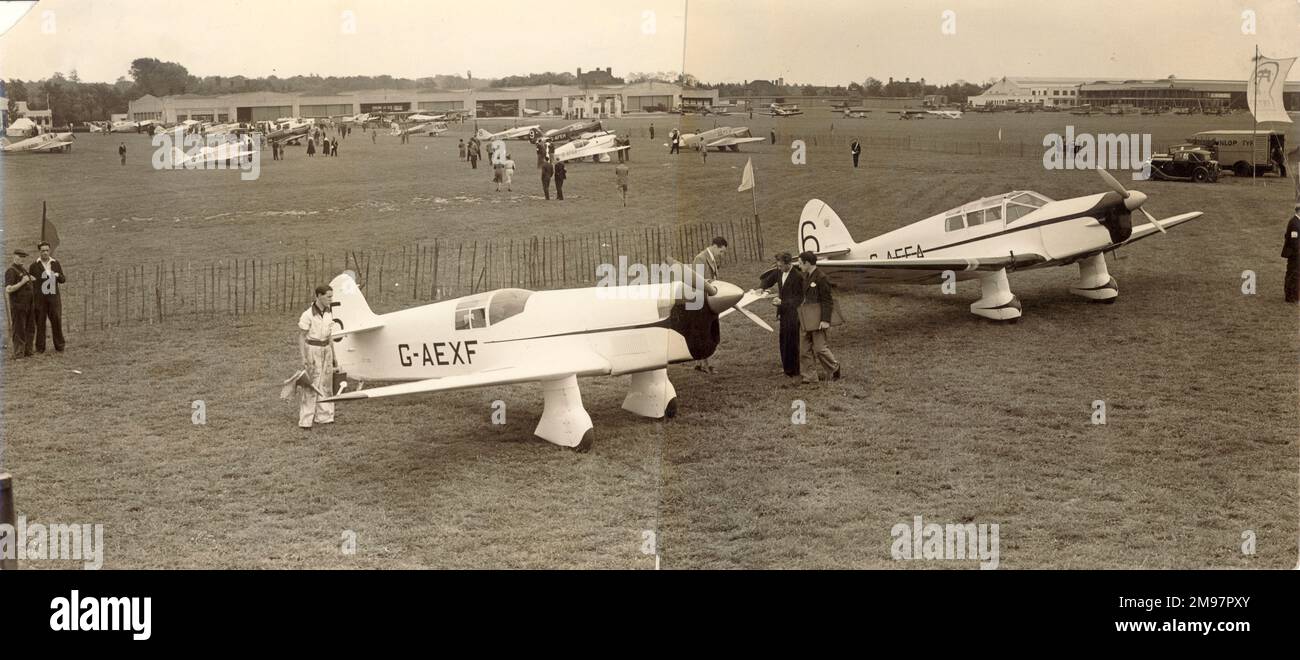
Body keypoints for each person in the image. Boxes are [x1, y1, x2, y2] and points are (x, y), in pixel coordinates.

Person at [757, 252, 803, 379]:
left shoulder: (797, 276)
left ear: (789, 264)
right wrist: (762, 287)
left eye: (781, 266)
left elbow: (799, 298)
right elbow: (768, 280)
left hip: (794, 313)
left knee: (792, 341)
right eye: (778, 266)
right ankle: (786, 368)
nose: (779, 268)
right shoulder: (779, 272)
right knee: (783, 340)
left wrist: (783, 302)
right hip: (783, 312)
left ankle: (794, 370)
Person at [796, 251, 841, 384]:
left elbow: (827, 300)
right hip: (807, 318)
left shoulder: (821, 278)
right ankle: (809, 376)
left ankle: (834, 367)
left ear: (807, 263)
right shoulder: (807, 277)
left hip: (818, 318)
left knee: (820, 348)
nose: (799, 266)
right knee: (804, 349)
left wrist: (825, 320)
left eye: (800, 263)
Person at [297, 285, 336, 429]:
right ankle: (306, 421)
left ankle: (325, 417)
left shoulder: (329, 312)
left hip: (327, 349)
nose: (331, 299)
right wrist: (304, 357)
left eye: (332, 296)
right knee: (312, 385)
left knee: (326, 384)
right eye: (328, 296)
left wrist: (334, 355)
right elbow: (301, 337)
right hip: (313, 350)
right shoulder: (308, 315)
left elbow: (330, 335)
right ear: (319, 296)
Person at [692, 237, 728, 373]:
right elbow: (698, 283)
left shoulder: (710, 259)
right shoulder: (700, 259)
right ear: (714, 246)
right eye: (721, 251)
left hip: (709, 301)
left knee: (707, 332)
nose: (722, 254)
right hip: (703, 302)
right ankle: (704, 365)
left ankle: (700, 363)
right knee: (705, 333)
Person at [29, 241, 66, 353]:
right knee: (40, 322)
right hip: (40, 299)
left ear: (49, 251)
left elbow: (63, 279)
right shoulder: (34, 265)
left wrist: (57, 275)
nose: (45, 252)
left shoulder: (55, 263)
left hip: (53, 298)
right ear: (39, 252)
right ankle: (40, 348)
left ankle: (60, 346)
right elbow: (32, 283)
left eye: (47, 250)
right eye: (42, 250)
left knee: (56, 320)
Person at [4, 249, 35, 359]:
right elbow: (8, 289)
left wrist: (30, 279)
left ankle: (28, 351)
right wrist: (22, 282)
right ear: (14, 257)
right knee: (19, 329)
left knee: (30, 328)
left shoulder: (22, 269)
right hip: (18, 306)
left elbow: (26, 281)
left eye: (23, 257)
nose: (22, 259)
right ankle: (19, 354)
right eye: (20, 257)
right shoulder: (11, 271)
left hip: (29, 304)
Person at [1283, 208, 1300, 303]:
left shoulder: (1295, 221)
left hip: (1294, 253)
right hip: (1295, 255)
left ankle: (1291, 295)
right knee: (1294, 274)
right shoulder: (1295, 223)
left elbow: (1286, 235)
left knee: (1292, 274)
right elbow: (1295, 242)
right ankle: (1291, 297)